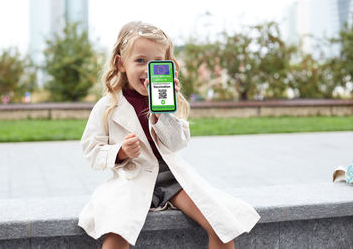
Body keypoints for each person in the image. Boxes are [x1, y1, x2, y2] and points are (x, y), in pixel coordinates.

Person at [78, 21, 261, 249]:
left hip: (172, 180)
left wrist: (163, 114)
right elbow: (91, 150)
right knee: (116, 234)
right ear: (120, 63)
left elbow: (177, 143)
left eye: (156, 62)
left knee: (221, 226)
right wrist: (120, 152)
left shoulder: (165, 103)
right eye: (140, 61)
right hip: (131, 180)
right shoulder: (107, 106)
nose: (147, 69)